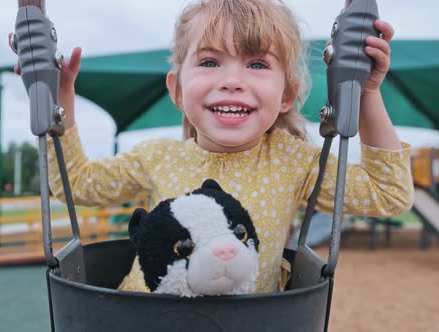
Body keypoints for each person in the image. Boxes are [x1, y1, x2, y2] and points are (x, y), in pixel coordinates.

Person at [45, 0, 414, 294]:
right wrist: (59, 101)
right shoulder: (156, 157)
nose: (233, 81)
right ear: (177, 89)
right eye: (209, 61)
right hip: (144, 318)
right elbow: (74, 182)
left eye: (257, 63)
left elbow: (388, 194)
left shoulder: (291, 161)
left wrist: (364, 94)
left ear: (286, 94)